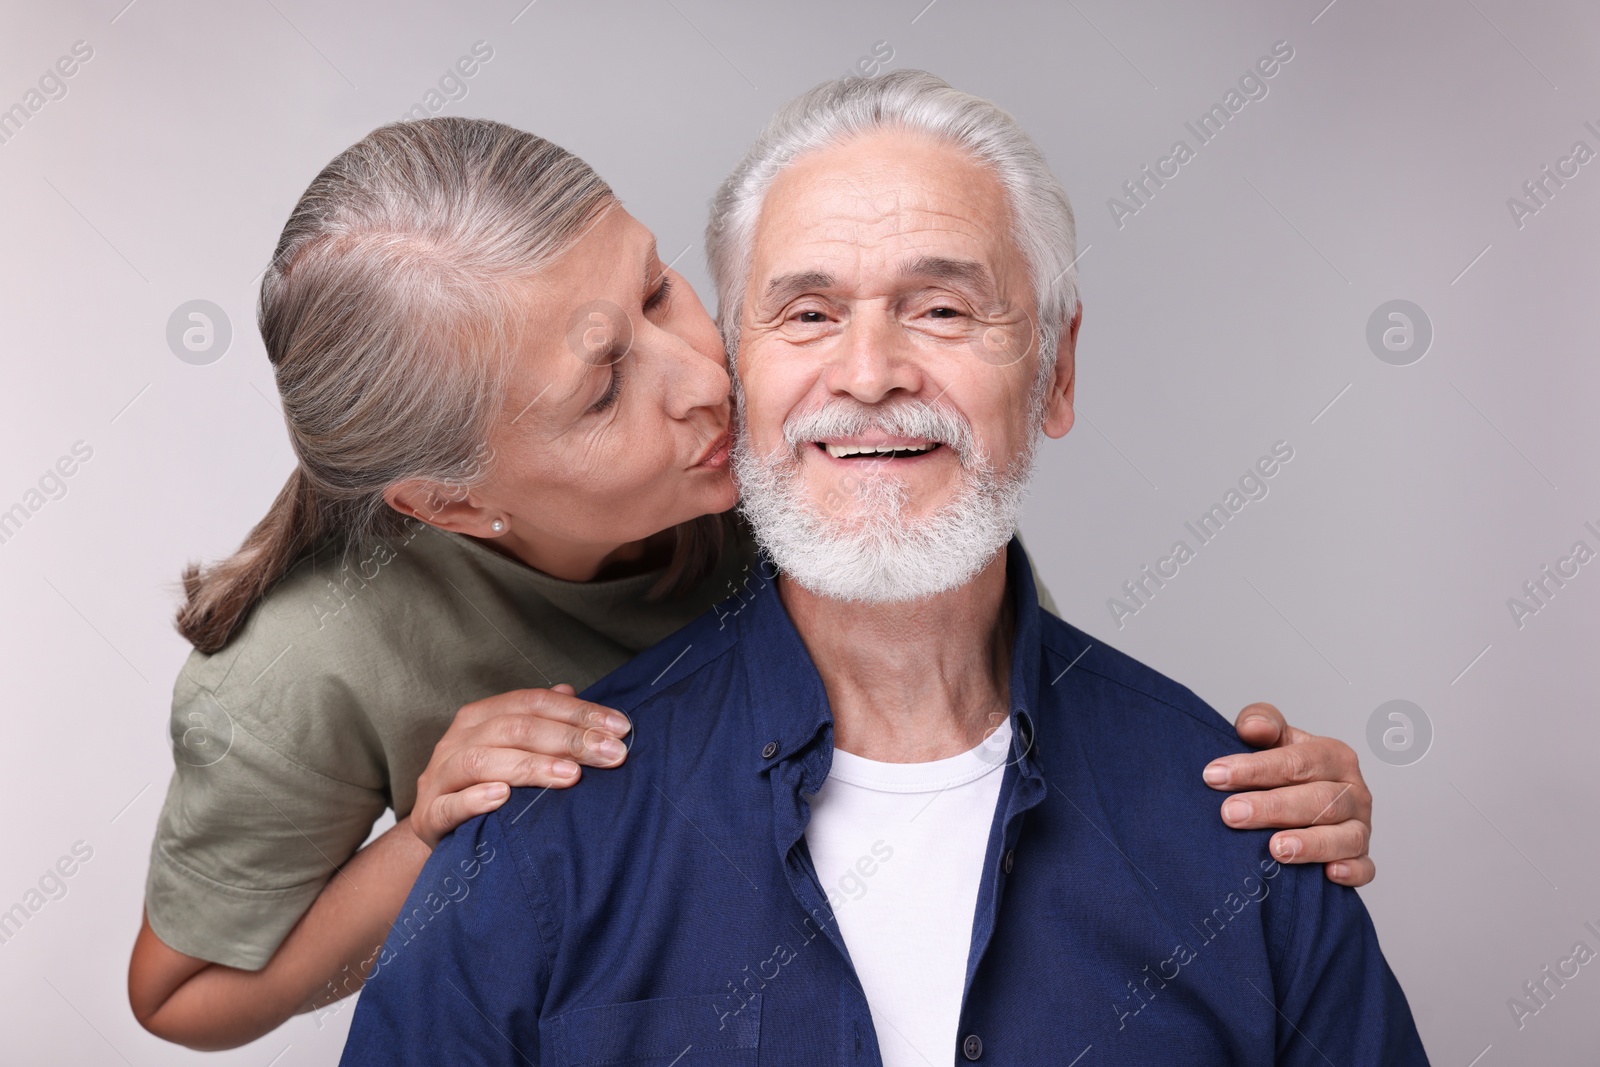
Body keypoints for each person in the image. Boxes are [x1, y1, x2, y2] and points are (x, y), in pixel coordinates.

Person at [128, 117, 1378, 1051]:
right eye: (607, 385)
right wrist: (436, 840)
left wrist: (1230, 808)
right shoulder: (309, 672)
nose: (702, 374)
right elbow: (179, 995)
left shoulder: (782, 487)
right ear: (457, 502)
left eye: (661, 287)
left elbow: (973, 657)